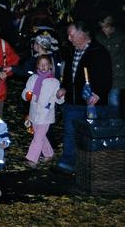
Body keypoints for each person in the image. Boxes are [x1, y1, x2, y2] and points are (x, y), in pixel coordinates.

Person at [56, 21, 115, 173]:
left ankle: (92, 167)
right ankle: (67, 163)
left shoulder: (99, 52)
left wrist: (99, 93)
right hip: (73, 102)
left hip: (92, 103)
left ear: (83, 34)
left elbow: (106, 77)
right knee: (69, 133)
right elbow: (69, 74)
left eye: (72, 35)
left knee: (91, 135)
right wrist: (64, 87)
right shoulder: (71, 51)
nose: (69, 38)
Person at [20, 55, 63, 168]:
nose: (43, 66)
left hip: (46, 114)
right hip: (34, 112)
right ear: (37, 65)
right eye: (41, 64)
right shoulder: (33, 78)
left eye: (46, 64)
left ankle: (32, 159)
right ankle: (49, 154)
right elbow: (26, 92)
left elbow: (59, 100)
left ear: (50, 66)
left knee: (38, 137)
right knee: (41, 136)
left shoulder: (54, 82)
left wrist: (59, 96)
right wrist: (27, 95)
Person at [96, 15, 124, 117]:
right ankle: (104, 126)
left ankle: (114, 127)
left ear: (111, 25)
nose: (103, 29)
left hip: (117, 76)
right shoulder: (99, 37)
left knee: (113, 101)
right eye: (101, 27)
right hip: (103, 76)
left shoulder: (121, 37)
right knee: (102, 102)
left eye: (106, 27)